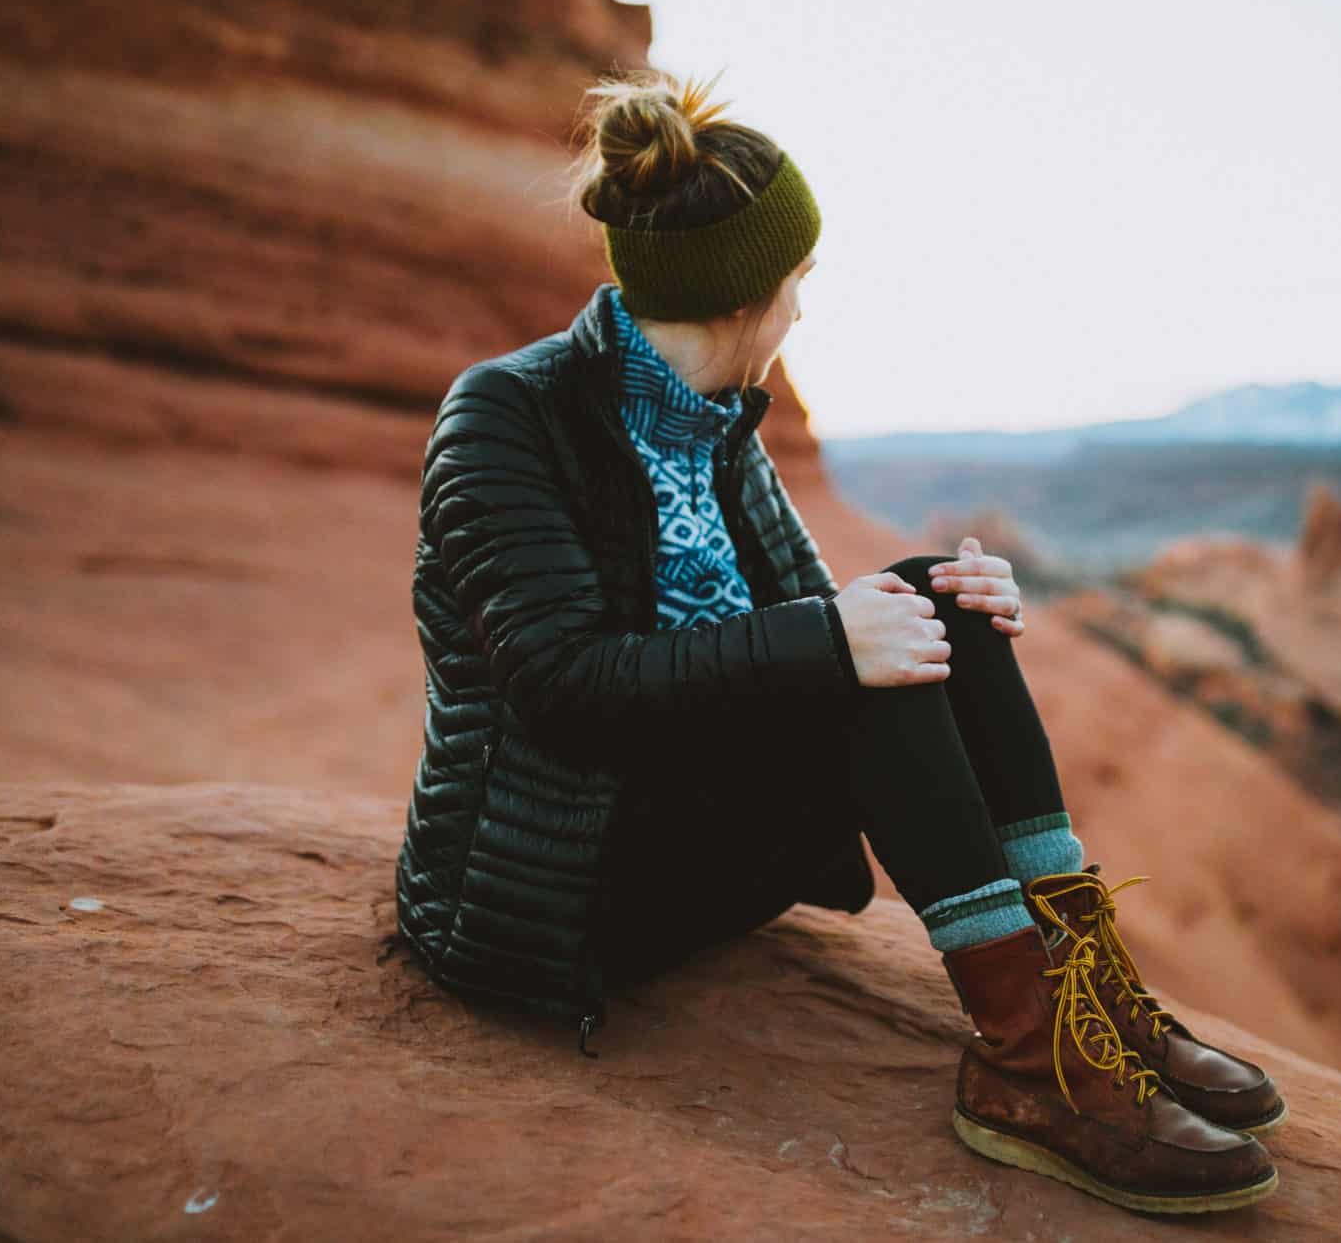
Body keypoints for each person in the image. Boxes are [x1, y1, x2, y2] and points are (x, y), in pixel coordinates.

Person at [394, 68, 1286, 1214]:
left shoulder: (717, 422)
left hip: (703, 845)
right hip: (557, 894)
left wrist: (949, 613)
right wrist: (840, 641)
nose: (802, 309)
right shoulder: (508, 417)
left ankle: (1076, 994)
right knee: (867, 642)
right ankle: (1026, 1060)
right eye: (795, 281)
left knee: (928, 603)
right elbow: (561, 685)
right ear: (738, 293)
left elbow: (832, 636)